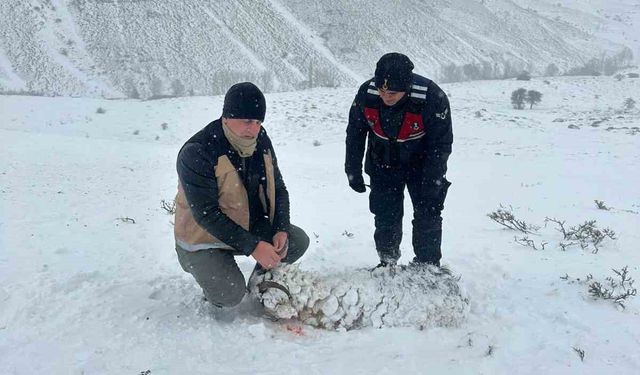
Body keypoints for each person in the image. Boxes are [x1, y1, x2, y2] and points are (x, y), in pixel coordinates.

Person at [174, 82, 309, 307]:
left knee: (296, 241)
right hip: (201, 238)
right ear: (226, 117)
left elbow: (279, 189)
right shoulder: (198, 152)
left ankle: (260, 282)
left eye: (258, 122)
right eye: (247, 121)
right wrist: (254, 246)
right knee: (229, 296)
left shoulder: (260, 141)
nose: (253, 129)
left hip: (244, 225)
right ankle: (213, 274)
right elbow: (206, 215)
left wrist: (281, 228)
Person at [345, 53, 453, 268]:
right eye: (382, 90)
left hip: (422, 164)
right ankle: (387, 261)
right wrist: (352, 169)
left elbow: (441, 144)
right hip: (382, 162)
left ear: (407, 87)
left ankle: (427, 264)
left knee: (428, 214)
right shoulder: (367, 93)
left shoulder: (431, 96)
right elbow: (356, 133)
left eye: (393, 92)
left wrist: (433, 181)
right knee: (385, 215)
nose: (386, 96)